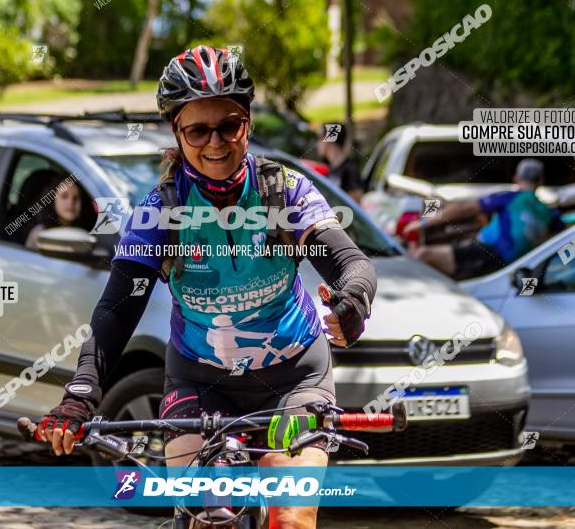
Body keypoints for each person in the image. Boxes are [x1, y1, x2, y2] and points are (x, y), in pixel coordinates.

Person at [34, 46, 377, 529]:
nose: (215, 142)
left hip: (294, 376)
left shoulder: (284, 192)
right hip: (199, 380)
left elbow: (349, 262)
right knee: (204, 515)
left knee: (292, 519)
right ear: (177, 131)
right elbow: (116, 311)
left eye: (229, 125)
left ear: (249, 124)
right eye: (198, 129)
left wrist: (352, 301)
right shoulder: (162, 210)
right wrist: (81, 391)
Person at [403, 159, 563, 279]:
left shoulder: (509, 198)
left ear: (515, 179)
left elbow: (465, 209)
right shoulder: (550, 213)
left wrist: (422, 223)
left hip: (490, 255)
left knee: (422, 254)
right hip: (519, 264)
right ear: (541, 182)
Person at [23, 174, 88, 250]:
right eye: (64, 196)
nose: (71, 202)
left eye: (76, 198)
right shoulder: (40, 233)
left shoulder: (87, 234)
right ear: (53, 202)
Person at [316, 122, 364, 202]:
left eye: (320, 138)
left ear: (329, 139)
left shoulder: (350, 170)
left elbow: (355, 207)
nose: (317, 143)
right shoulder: (327, 168)